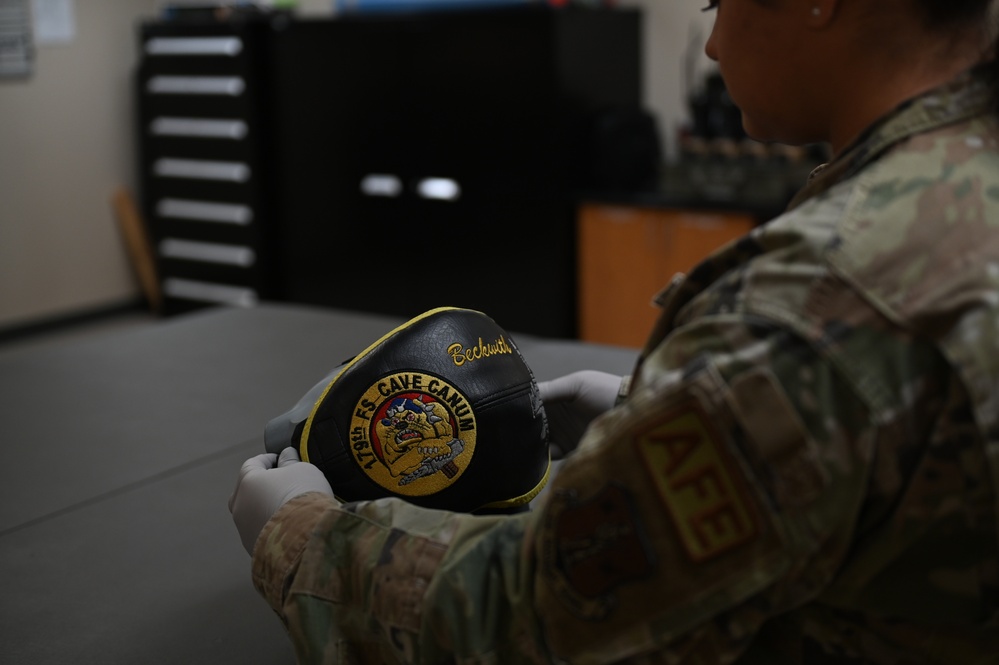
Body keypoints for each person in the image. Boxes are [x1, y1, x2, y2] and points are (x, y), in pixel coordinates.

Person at [228, 0, 999, 662]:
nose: (712, 44)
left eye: (714, 4)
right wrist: (673, 409)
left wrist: (300, 533)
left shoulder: (821, 296)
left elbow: (542, 624)